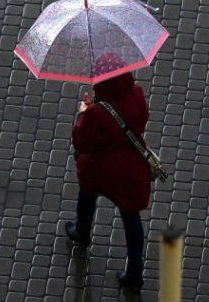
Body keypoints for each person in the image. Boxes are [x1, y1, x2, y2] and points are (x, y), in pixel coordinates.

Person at [66, 53, 152, 288]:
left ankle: (82, 231)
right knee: (131, 218)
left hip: (101, 168)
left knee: (87, 193)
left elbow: (82, 142)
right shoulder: (137, 94)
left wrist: (84, 112)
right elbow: (142, 119)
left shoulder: (97, 112)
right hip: (131, 168)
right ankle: (134, 272)